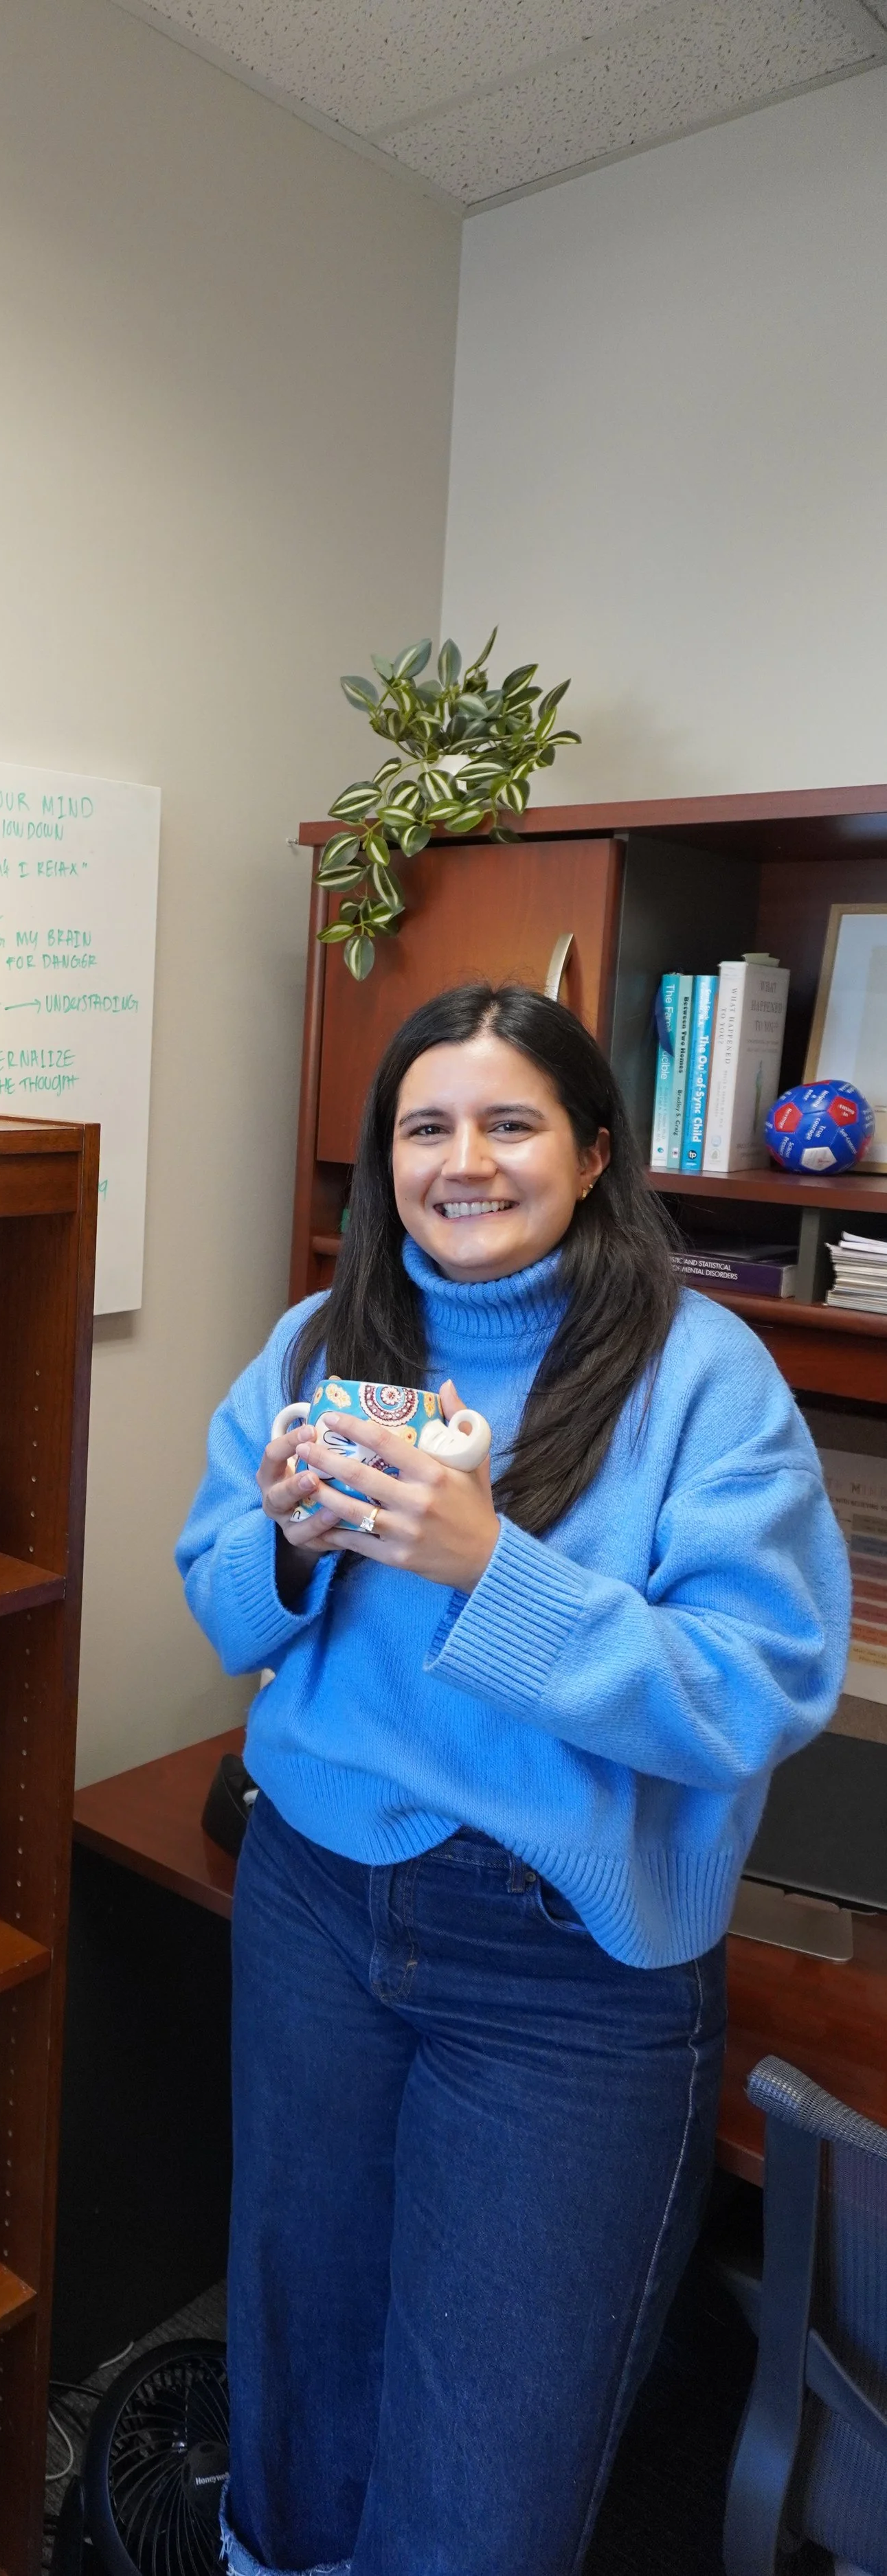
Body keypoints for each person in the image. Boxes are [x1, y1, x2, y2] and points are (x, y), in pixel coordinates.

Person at [175, 982, 849, 2576]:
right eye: (424, 1127)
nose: (460, 1161)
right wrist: (281, 1541)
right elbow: (214, 1602)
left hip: (569, 1973)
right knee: (293, 2384)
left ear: (593, 1149)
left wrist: (491, 1569)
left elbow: (756, 1687)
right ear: (382, 1156)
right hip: (316, 1909)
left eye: (507, 1123)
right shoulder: (316, 1343)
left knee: (487, 2464)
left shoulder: (704, 1376)